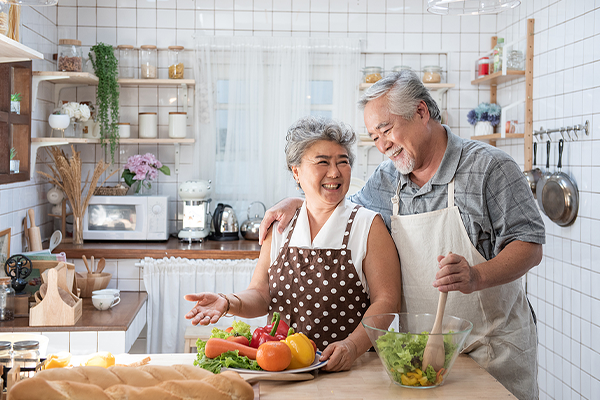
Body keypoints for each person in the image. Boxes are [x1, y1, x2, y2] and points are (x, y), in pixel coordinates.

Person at [258, 71, 544, 400]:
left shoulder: (490, 168)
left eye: (386, 130)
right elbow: (341, 206)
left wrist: (475, 276)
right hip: (421, 353)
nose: (382, 146)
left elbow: (529, 245)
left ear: (421, 112)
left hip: (491, 349)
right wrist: (298, 199)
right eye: (374, 137)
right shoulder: (387, 178)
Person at [185, 116, 401, 372]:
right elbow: (261, 294)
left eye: (343, 161)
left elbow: (387, 301)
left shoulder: (367, 225)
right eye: (323, 162)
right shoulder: (281, 226)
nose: (335, 172)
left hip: (351, 369)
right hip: (284, 368)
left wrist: (351, 347)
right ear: (296, 171)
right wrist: (227, 301)